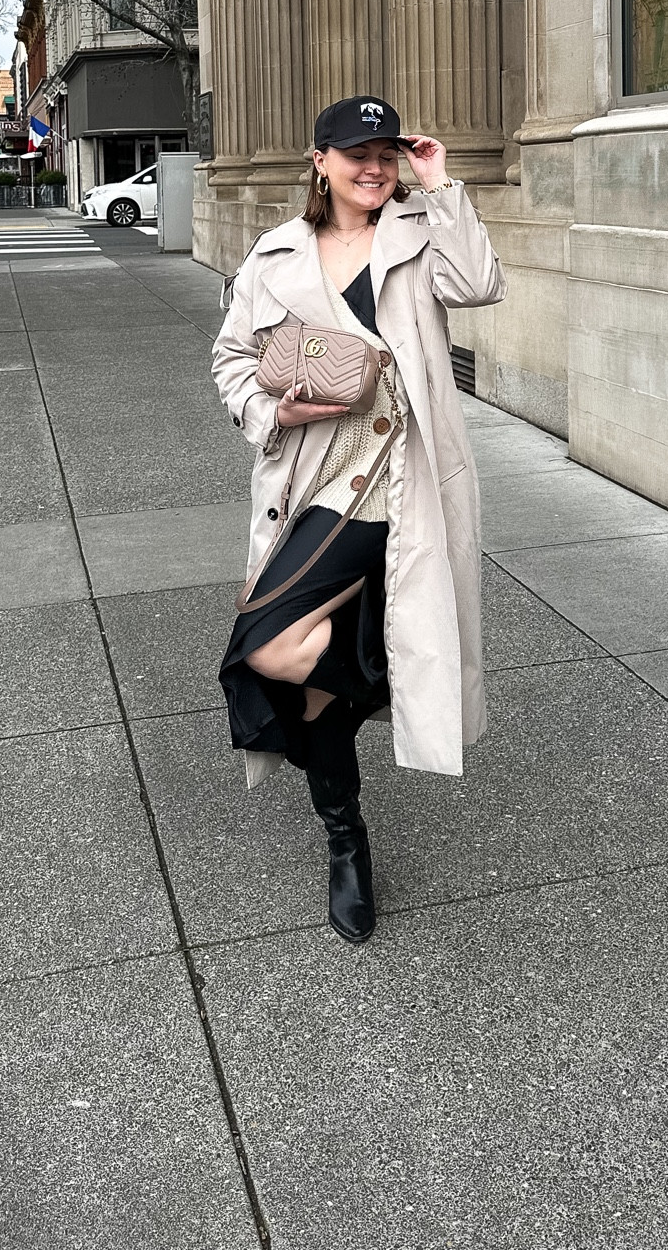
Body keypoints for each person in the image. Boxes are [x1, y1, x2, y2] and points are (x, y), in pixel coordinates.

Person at [213, 95, 506, 944]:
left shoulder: (418, 235)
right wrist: (274, 416)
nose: (372, 168)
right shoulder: (272, 258)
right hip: (311, 474)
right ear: (320, 162)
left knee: (265, 644)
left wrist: (442, 182)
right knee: (295, 666)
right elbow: (232, 361)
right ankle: (348, 836)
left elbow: (481, 284)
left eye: (385, 153)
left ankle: (349, 815)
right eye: (355, 154)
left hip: (397, 478)